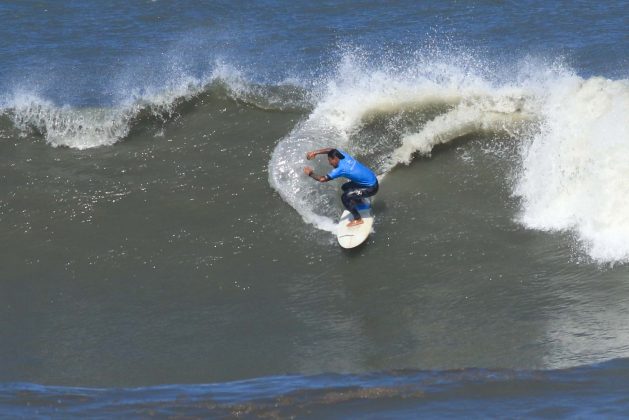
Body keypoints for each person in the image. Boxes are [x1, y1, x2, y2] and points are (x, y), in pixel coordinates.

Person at [304, 148, 379, 227]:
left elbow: (322, 179)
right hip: (372, 179)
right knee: (345, 187)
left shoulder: (340, 169)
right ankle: (359, 200)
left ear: (335, 158)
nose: (330, 163)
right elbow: (332, 150)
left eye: (330, 160)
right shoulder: (344, 156)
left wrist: (310, 173)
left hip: (372, 188)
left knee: (345, 197)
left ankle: (358, 219)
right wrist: (315, 152)